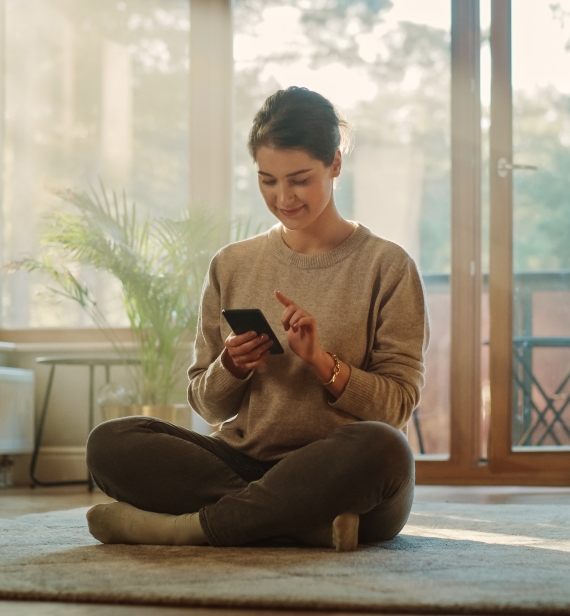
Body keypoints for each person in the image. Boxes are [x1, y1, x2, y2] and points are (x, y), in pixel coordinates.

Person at [84, 86, 429, 550]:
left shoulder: (388, 267)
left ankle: (189, 528)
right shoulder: (232, 265)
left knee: (386, 451)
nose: (283, 197)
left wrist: (323, 364)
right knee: (111, 442)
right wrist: (231, 367)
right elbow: (207, 407)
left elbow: (398, 407)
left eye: (300, 179)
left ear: (335, 165)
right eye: (268, 180)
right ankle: (300, 522)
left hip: (340, 469)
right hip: (242, 461)